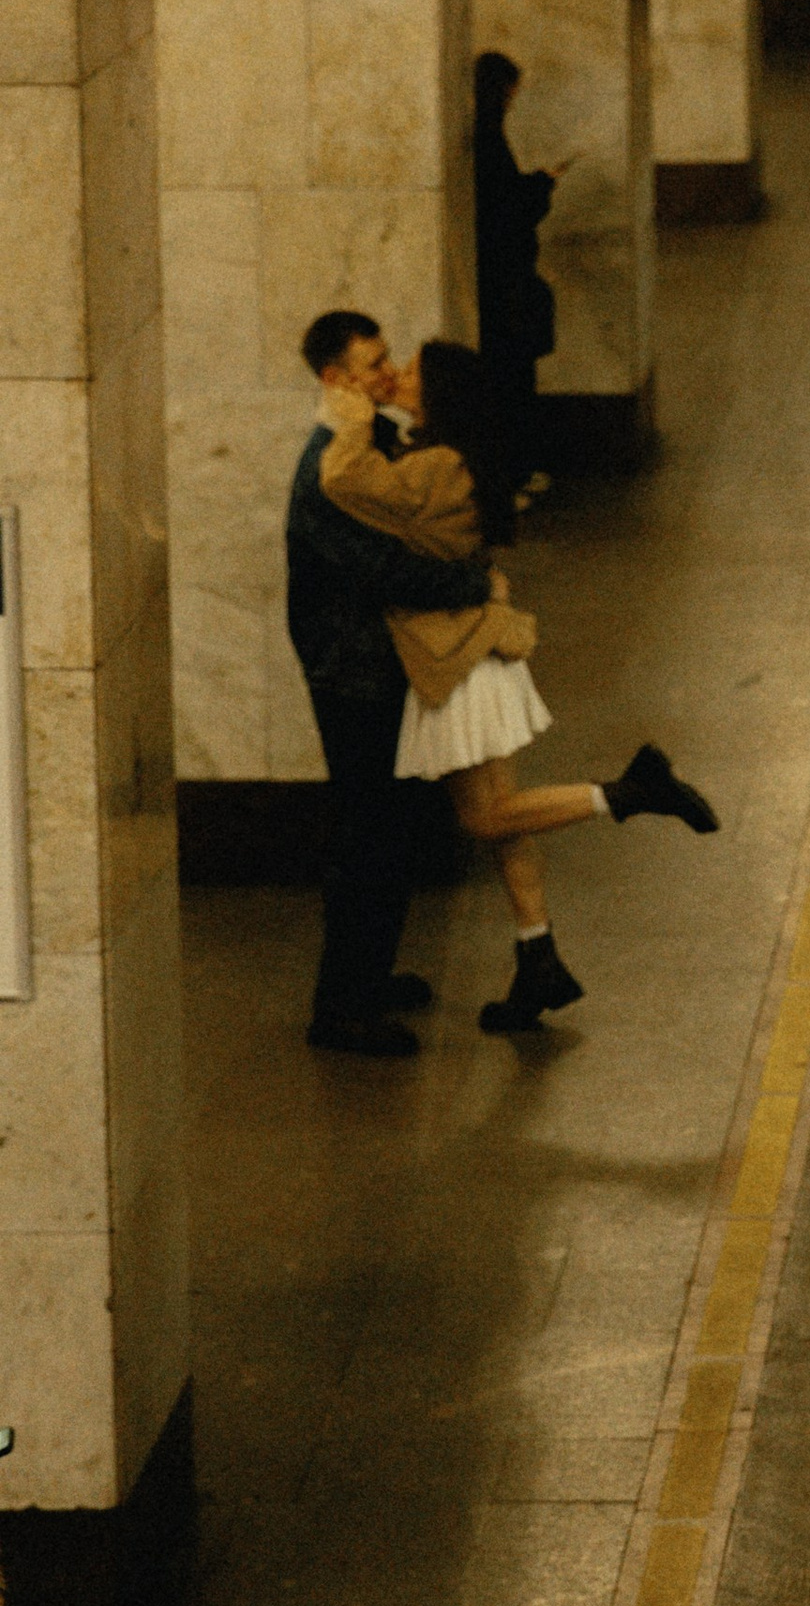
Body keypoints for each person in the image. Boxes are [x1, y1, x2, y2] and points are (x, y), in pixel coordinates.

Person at [318, 339, 719, 1034]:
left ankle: (627, 792)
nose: (397, 377)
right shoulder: (448, 456)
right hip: (474, 649)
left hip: (456, 656)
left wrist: (349, 420)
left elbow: (345, 483)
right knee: (507, 817)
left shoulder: (438, 464)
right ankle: (538, 956)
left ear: (439, 394)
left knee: (485, 817)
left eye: (410, 372)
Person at [288, 308, 494, 1058]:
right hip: (351, 670)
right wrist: (470, 581)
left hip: (379, 662)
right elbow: (381, 569)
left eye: (387, 359)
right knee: (368, 832)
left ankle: (370, 977)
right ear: (334, 378)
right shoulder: (326, 468)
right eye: (373, 364)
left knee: (392, 826)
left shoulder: (370, 440)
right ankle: (342, 1005)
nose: (388, 373)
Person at [473, 53, 559, 510]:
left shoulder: (480, 136)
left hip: (495, 278)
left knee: (505, 376)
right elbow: (509, 211)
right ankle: (513, 473)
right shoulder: (488, 138)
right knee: (512, 379)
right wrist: (542, 186)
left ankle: (511, 472)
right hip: (505, 279)